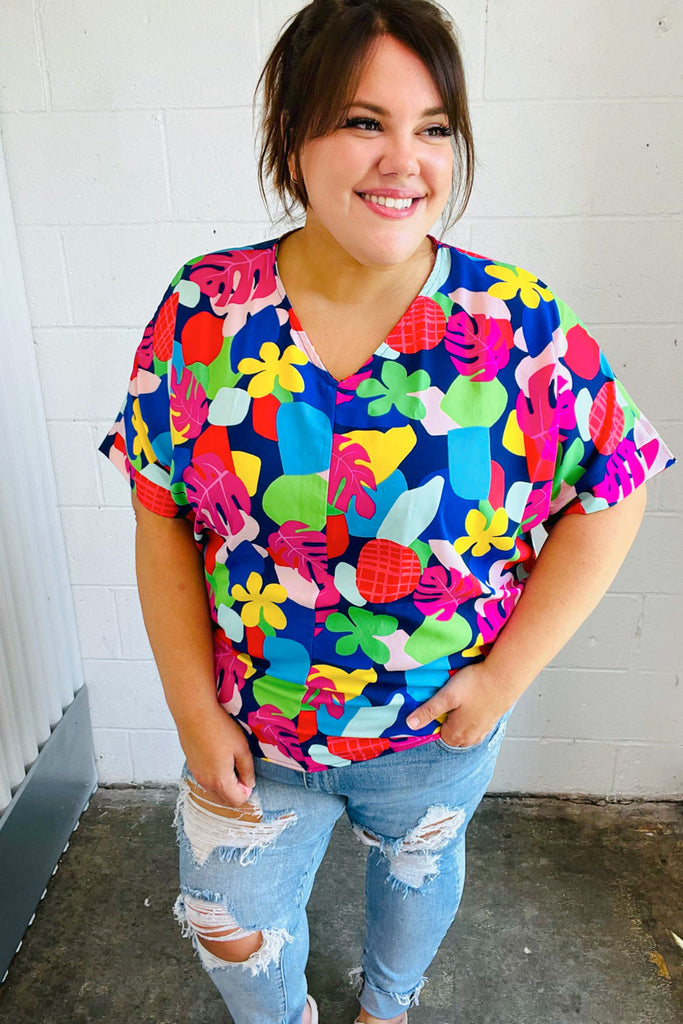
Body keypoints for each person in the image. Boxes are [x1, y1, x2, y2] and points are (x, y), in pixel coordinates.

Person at [99, 2, 675, 1022]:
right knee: (221, 916)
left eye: (433, 126)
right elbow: (161, 518)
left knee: (414, 882)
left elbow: (614, 488)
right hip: (253, 730)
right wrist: (193, 711)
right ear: (293, 134)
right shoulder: (204, 311)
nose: (402, 159)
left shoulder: (513, 325)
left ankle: (387, 1003)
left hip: (434, 730)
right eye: (362, 121)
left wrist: (501, 679)